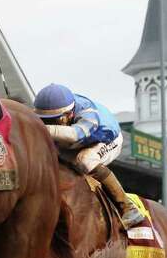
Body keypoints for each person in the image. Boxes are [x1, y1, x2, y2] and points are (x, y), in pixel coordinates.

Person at [33, 83, 143, 227]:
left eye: (53, 120)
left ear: (69, 114)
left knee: (84, 160)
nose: (47, 123)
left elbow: (74, 134)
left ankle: (127, 207)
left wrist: (38, 127)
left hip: (107, 140)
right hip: (78, 142)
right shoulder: (60, 112)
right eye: (43, 120)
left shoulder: (88, 113)